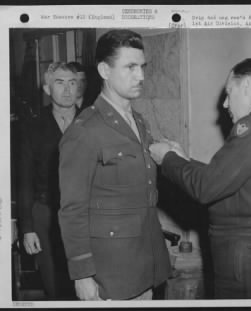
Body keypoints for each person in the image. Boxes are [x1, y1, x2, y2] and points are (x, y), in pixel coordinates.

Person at [149, 58, 251, 299]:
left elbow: (206, 188)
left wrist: (166, 158)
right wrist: (184, 160)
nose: (226, 103)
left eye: (229, 93)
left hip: (246, 260)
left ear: (247, 86)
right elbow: (228, 179)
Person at [58, 29, 171, 301]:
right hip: (111, 273)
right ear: (104, 70)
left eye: (142, 67)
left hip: (146, 265)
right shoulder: (85, 131)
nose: (141, 76)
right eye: (130, 67)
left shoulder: (137, 121)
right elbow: (72, 209)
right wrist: (82, 275)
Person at [17, 61, 79, 300]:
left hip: (87, 214)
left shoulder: (92, 123)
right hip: (46, 214)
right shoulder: (31, 127)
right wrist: (27, 228)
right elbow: (24, 181)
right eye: (59, 83)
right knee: (55, 286)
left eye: (72, 83)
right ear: (46, 88)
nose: (67, 90)